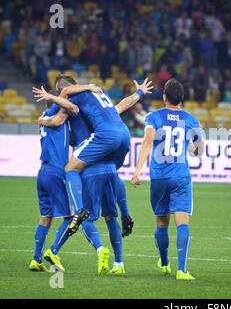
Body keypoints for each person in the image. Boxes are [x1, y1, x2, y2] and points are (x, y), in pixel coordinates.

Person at [32, 76, 153, 237]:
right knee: (112, 178)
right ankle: (125, 216)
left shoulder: (72, 101)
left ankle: (79, 211)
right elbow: (121, 106)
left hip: (99, 144)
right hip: (122, 135)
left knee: (71, 169)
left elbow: (59, 118)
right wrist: (139, 92)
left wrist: (42, 118)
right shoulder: (98, 92)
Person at [131, 78, 204, 280]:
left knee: (162, 223)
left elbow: (146, 142)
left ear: (164, 97)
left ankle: (164, 263)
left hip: (159, 177)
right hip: (180, 176)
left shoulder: (153, 117)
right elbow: (199, 151)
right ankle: (182, 270)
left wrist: (137, 171)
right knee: (182, 224)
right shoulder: (192, 120)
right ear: (182, 99)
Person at [30, 90, 72, 272]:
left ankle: (36, 259)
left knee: (46, 217)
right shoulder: (58, 117)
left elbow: (50, 120)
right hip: (55, 171)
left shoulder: (43, 118)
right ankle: (52, 251)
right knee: (70, 218)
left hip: (43, 172)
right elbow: (59, 119)